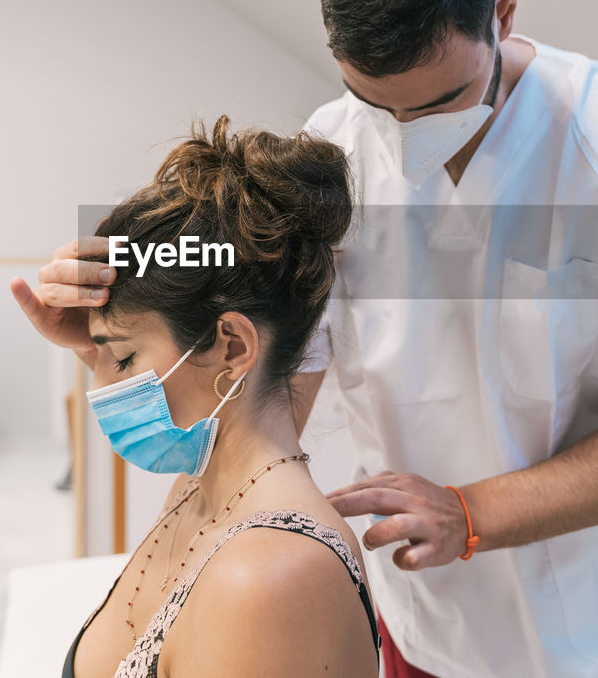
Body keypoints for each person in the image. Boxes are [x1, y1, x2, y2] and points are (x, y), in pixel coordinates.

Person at [20, 0, 598, 678]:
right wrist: (117, 324)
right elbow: (263, 373)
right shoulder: (332, 146)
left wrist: (470, 512)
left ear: (503, 12)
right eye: (375, 102)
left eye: (438, 102)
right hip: (423, 628)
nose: (403, 137)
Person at [27, 116, 379, 678]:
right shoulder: (200, 493)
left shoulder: (267, 578)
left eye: (122, 359)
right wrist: (102, 342)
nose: (102, 388)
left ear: (232, 347)